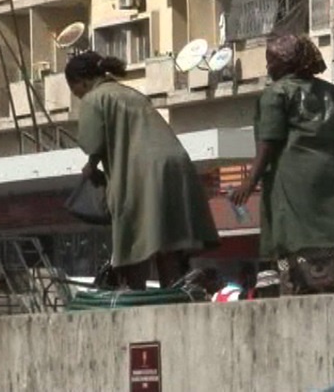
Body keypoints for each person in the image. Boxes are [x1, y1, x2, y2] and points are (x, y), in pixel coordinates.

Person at [230, 34, 334, 295]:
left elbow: (269, 143)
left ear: (286, 64)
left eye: (271, 62)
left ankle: (303, 282)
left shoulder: (275, 94)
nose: (268, 68)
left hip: (295, 180)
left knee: (296, 242)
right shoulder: (329, 92)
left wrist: (249, 181)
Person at [65, 51, 221, 290]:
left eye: (73, 88)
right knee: (169, 241)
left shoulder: (94, 98)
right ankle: (174, 294)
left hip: (143, 171)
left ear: (81, 81)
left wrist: (91, 165)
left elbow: (92, 143)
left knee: (134, 238)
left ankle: (133, 298)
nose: (75, 94)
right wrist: (94, 163)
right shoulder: (132, 94)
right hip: (177, 165)